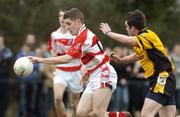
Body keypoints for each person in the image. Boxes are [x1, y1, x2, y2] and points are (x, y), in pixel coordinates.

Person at [28, 8, 131, 117]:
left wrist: (41, 60)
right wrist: (87, 72)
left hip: (104, 73)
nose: (67, 27)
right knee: (81, 113)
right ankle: (120, 115)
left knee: (99, 113)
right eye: (65, 24)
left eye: (69, 24)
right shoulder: (79, 36)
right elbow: (94, 56)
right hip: (94, 75)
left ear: (78, 22)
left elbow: (67, 58)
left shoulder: (84, 36)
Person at [100, 9, 176, 117]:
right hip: (164, 79)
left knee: (145, 114)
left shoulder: (147, 36)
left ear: (133, 28)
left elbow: (129, 40)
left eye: (126, 27)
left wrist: (109, 33)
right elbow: (137, 55)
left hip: (162, 78)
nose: (126, 29)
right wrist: (122, 60)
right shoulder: (143, 41)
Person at [47, 9, 83, 117]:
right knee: (58, 98)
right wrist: (53, 54)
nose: (62, 18)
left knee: (75, 103)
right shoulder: (54, 35)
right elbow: (51, 48)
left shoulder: (75, 34)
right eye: (60, 15)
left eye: (64, 16)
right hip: (61, 71)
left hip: (76, 71)